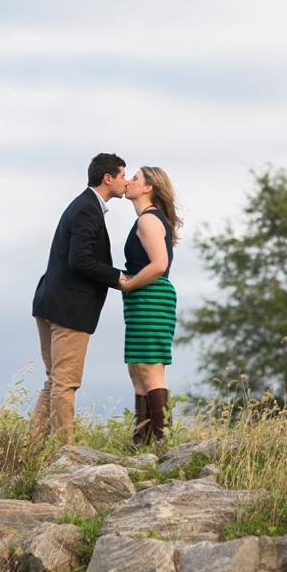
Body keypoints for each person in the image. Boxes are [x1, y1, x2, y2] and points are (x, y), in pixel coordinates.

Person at [31, 153, 127, 442]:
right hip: (69, 308)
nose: (126, 181)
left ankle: (29, 449)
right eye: (123, 175)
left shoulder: (82, 205)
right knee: (65, 382)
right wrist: (118, 278)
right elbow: (80, 260)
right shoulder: (87, 209)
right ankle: (65, 453)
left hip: (50, 302)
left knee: (54, 381)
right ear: (108, 178)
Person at [121, 165, 181, 443]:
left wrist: (129, 284)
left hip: (151, 297)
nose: (128, 181)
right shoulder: (147, 219)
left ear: (148, 188)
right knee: (137, 369)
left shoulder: (148, 220)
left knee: (150, 369)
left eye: (135, 178)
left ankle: (162, 443)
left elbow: (159, 264)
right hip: (142, 299)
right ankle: (141, 441)